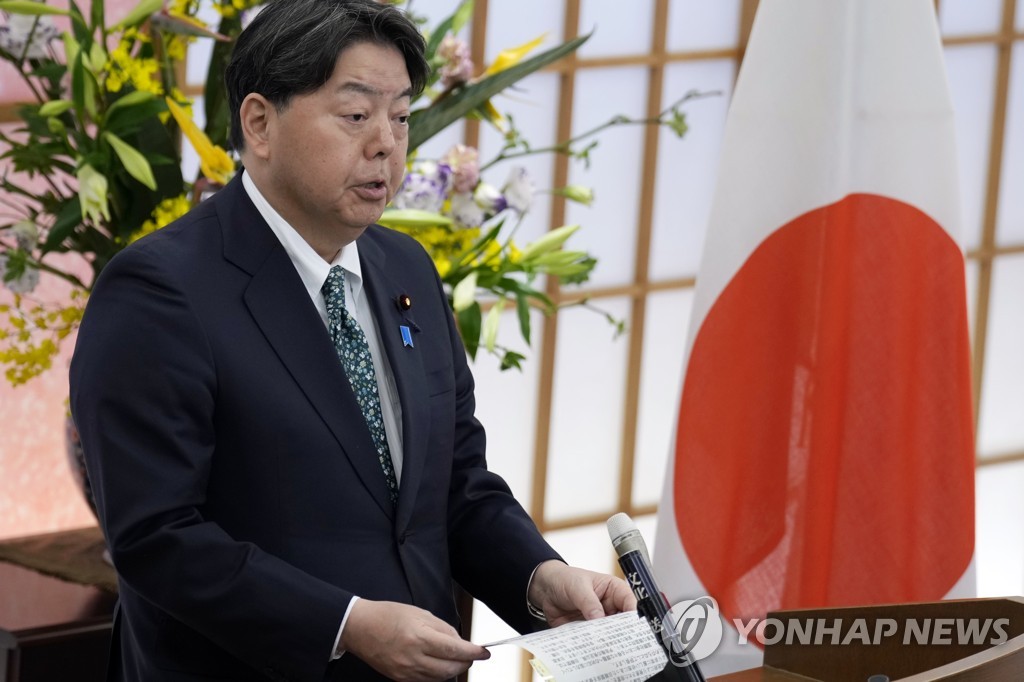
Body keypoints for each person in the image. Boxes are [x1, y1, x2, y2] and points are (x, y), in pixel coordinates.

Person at [69, 1, 636, 680]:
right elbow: (156, 538)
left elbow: (455, 486)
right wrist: (344, 624)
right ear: (259, 123)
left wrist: (538, 576)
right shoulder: (160, 291)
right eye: (357, 115)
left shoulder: (406, 267)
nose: (387, 145)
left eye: (400, 117)